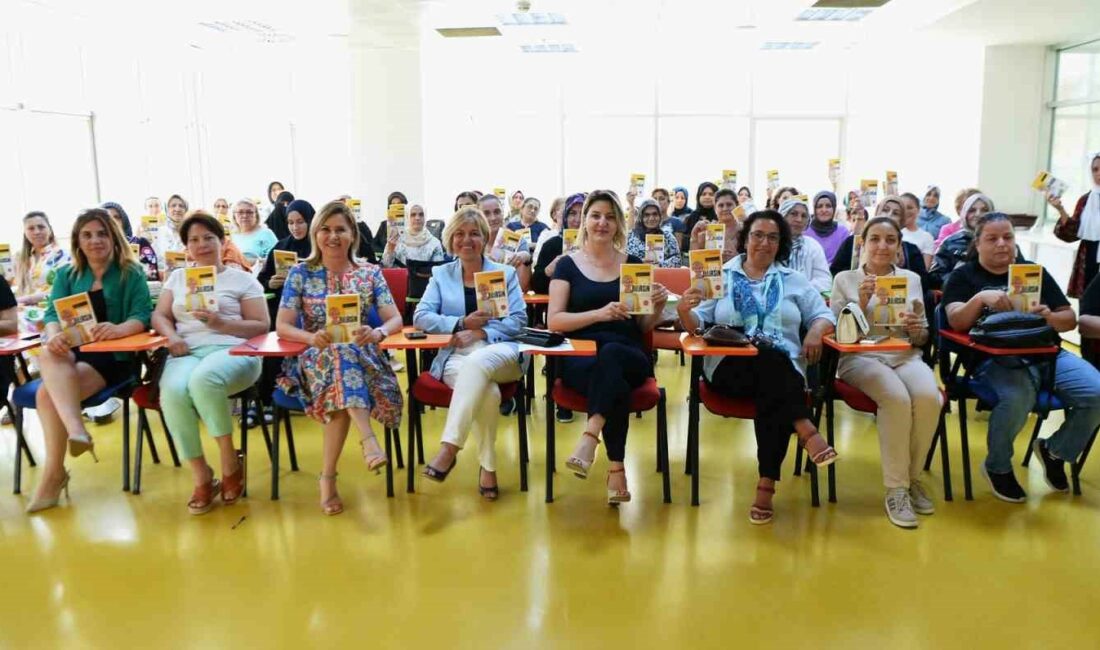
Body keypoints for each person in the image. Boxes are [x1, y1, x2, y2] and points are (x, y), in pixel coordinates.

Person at [677, 210, 837, 525]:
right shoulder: (720, 274)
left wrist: (816, 332)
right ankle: (804, 428)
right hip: (729, 368)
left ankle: (766, 484)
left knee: (773, 377)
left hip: (781, 372)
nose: (764, 242)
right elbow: (697, 325)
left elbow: (823, 315)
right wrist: (684, 310)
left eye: (773, 237)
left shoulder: (794, 280)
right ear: (745, 238)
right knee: (773, 364)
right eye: (757, 235)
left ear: (781, 243)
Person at [942, 212, 1100, 502]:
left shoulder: (1032, 271)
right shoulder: (964, 276)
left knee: (1097, 391)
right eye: (992, 238)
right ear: (977, 244)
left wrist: (1050, 316)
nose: (1002, 244)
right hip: (993, 359)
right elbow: (954, 321)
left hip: (1047, 354)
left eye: (1008, 237)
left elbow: (1069, 319)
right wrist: (979, 299)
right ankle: (998, 466)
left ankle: (1055, 451)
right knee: (1018, 398)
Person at [275, 200, 403, 515]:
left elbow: (395, 320)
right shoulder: (299, 273)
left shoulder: (370, 273)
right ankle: (368, 440)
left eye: (341, 230)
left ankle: (328, 478)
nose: (333, 236)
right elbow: (282, 326)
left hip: (363, 357)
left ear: (352, 235)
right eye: (326, 229)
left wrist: (377, 333)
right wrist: (309, 337)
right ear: (316, 233)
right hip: (314, 359)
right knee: (338, 357)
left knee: (345, 358)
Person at [24, 209, 152, 513]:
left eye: (102, 233)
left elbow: (142, 314)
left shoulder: (129, 272)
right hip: (73, 352)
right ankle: (77, 431)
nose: (95, 240)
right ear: (78, 241)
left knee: (45, 393)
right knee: (47, 352)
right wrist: (53, 333)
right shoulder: (68, 275)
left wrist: (119, 328)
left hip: (115, 357)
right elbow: (53, 314)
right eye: (87, 235)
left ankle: (53, 476)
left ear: (113, 237)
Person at [548, 189, 669, 505]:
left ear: (619, 224)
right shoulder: (566, 266)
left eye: (610, 217)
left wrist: (655, 308)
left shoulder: (635, 265)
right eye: (596, 215)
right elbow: (555, 322)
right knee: (611, 376)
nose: (603, 223)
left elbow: (642, 328)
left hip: (629, 354)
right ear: (584, 220)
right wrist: (599, 314)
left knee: (613, 356)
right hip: (581, 357)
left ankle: (590, 435)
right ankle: (617, 468)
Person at [152, 212, 269, 515]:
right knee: (172, 392)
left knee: (203, 380)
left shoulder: (242, 278)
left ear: (222, 241)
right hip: (187, 351)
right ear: (186, 246)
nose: (201, 244)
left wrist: (222, 324)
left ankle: (230, 463)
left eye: (208, 237)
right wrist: (170, 337)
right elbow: (160, 316)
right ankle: (202, 474)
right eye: (194, 239)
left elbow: (261, 325)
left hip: (236, 350)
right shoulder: (178, 278)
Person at [830, 216, 940, 528]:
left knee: (929, 397)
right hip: (859, 358)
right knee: (896, 398)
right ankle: (896, 489)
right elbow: (840, 336)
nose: (882, 245)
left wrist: (917, 328)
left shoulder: (911, 278)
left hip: (904, 354)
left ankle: (911, 478)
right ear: (862, 243)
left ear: (898, 246)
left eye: (890, 240)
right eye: (875, 238)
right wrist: (862, 303)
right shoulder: (844, 279)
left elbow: (921, 338)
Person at [416, 207, 528, 499]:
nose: (467, 240)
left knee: (479, 361)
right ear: (450, 239)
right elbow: (421, 316)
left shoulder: (504, 273)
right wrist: (461, 323)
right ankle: (488, 468)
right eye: (460, 234)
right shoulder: (441, 274)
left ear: (485, 238)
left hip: (500, 352)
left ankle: (449, 448)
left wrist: (482, 333)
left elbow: (518, 321)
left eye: (474, 233)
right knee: (488, 394)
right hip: (456, 357)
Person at [257, 199, 315, 409]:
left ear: (310, 220)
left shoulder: (319, 245)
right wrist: (270, 283)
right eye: (290, 222)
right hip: (284, 308)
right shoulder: (280, 247)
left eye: (300, 222)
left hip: (313, 307)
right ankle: (267, 398)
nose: (295, 227)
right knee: (273, 335)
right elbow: (261, 280)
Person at [829, 198, 930, 294]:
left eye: (896, 213)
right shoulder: (852, 242)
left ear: (902, 220)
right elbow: (836, 272)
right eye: (885, 210)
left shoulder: (911, 250)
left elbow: (923, 284)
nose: (889, 215)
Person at [929, 192, 1021, 290]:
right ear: (964, 213)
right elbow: (935, 276)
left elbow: (1021, 272)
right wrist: (959, 280)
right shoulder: (951, 242)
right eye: (972, 210)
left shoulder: (1006, 244)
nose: (978, 214)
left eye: (984, 210)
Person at [1049, 152, 1100, 298]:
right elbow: (1071, 233)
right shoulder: (1085, 200)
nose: (1099, 173)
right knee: (1088, 308)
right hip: (1088, 259)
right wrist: (1060, 209)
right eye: (1095, 169)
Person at [15, 211, 71, 306]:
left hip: (51, 312)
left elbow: (64, 291)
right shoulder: (20, 258)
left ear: (50, 229)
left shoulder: (63, 255)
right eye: (31, 228)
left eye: (41, 227)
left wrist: (27, 299)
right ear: (25, 233)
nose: (37, 232)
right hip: (23, 314)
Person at [778, 198, 831, 293]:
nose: (799, 219)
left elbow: (825, 281)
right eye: (793, 214)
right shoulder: (772, 244)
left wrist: (799, 289)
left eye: (804, 216)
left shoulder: (813, 246)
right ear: (783, 216)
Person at [481, 194, 532, 290]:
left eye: (497, 212)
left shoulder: (518, 241)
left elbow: (522, 287)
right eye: (486, 213)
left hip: (511, 297)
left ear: (503, 213)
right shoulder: (473, 242)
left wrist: (526, 258)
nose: (493, 218)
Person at [102, 202, 159, 283]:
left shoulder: (140, 244)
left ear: (124, 221)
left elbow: (153, 276)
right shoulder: (97, 248)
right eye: (107, 217)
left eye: (116, 217)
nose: (112, 221)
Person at [381, 203, 446, 267]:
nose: (417, 218)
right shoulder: (396, 240)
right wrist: (390, 250)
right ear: (407, 217)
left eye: (421, 214)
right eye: (413, 215)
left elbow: (438, 270)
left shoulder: (434, 243)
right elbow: (386, 266)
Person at [688, 188, 740, 263]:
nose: (725, 208)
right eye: (721, 205)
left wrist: (735, 258)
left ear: (737, 206)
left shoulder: (745, 230)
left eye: (729, 204)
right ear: (715, 208)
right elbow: (695, 264)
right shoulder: (707, 231)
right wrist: (694, 236)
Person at [627, 199, 682, 268]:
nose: (651, 218)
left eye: (655, 214)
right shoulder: (631, 236)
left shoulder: (668, 237)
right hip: (637, 276)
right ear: (641, 217)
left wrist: (659, 265)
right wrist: (641, 263)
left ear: (660, 216)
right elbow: (624, 259)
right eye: (646, 215)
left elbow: (677, 259)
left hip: (662, 276)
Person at [231, 199, 278, 269]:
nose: (245, 216)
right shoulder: (232, 236)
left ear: (256, 215)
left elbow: (276, 260)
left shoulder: (266, 234)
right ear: (234, 216)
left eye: (249, 212)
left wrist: (250, 261)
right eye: (240, 212)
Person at [805, 191, 850, 263]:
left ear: (834, 208)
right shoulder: (805, 232)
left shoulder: (843, 232)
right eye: (819, 206)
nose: (824, 210)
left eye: (828, 206)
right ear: (814, 209)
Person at [899, 192, 935, 269]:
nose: (905, 211)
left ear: (918, 210)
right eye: (902, 208)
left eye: (910, 208)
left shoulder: (927, 237)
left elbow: (925, 268)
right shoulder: (889, 233)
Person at [152, 194, 188, 266]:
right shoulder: (159, 232)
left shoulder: (191, 230)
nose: (177, 209)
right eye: (173, 205)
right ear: (167, 210)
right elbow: (156, 257)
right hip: (165, 273)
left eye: (181, 206)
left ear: (186, 210)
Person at [682, 182, 718, 250]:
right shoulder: (692, 216)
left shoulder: (721, 215)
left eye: (711, 194)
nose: (707, 197)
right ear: (698, 197)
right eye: (703, 194)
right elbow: (685, 242)